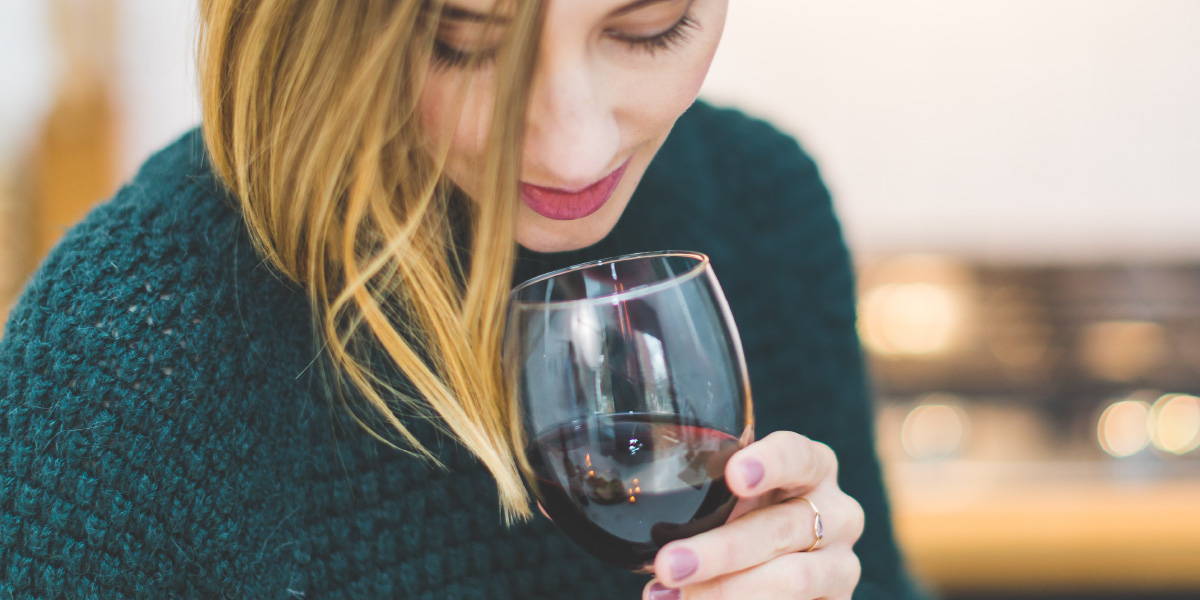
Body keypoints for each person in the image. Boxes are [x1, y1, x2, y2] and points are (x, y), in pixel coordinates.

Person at [0, 1, 929, 598]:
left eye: (650, 26)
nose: (572, 150)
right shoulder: (117, 357)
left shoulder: (758, 205)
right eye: (462, 41)